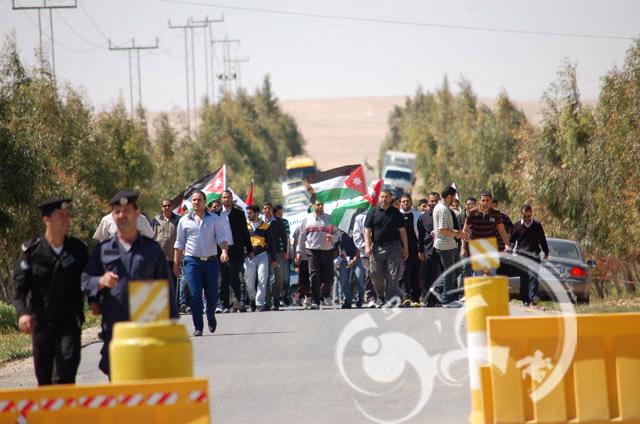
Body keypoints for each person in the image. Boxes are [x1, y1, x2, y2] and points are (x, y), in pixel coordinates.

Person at [82, 191, 178, 376]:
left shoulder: (152, 250)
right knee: (115, 373)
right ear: (112, 216)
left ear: (137, 213)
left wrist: (171, 326)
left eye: (126, 211)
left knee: (145, 376)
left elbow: (166, 287)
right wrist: (100, 282)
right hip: (115, 326)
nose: (122, 215)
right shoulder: (103, 250)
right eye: (117, 211)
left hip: (147, 327)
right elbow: (86, 280)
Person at [13, 198, 89, 385]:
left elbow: (89, 279)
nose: (66, 220)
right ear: (46, 219)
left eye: (67, 215)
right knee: (45, 382)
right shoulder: (32, 252)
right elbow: (19, 290)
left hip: (69, 324)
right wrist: (23, 314)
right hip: (41, 325)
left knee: (63, 377)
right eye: (60, 216)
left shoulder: (77, 250)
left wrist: (95, 300)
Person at [173, 190, 231, 336]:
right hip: (191, 261)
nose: (196, 202)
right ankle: (198, 326)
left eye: (199, 200)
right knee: (195, 294)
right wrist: (176, 263)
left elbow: (221, 237)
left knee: (212, 295)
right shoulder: (184, 221)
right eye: (194, 200)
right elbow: (179, 243)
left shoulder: (214, 219)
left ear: (205, 202)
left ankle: (210, 315)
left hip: (211, 262)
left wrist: (224, 251)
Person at [364, 189, 409, 306]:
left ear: (390, 198)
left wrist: (406, 248)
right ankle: (380, 296)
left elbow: (402, 232)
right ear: (379, 198)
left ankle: (389, 298)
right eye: (382, 197)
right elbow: (367, 231)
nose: (384, 199)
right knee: (375, 274)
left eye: (386, 197)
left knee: (393, 275)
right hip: (377, 247)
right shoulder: (372, 212)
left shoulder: (396, 213)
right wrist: (367, 246)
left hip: (394, 247)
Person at [296, 197, 340, 309]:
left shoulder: (330, 219)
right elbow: (302, 236)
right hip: (312, 251)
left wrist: (333, 238)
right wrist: (299, 252)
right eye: (318, 205)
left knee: (328, 277)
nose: (320, 207)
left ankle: (325, 294)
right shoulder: (307, 219)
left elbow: (337, 233)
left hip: (327, 251)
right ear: (313, 206)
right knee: (314, 275)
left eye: (322, 205)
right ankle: (315, 301)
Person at [430, 187, 468, 307]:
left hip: (448, 244)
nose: (454, 199)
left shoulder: (443, 207)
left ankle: (438, 289)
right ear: (449, 196)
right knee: (450, 272)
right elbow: (442, 229)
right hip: (445, 245)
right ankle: (447, 300)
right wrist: (458, 234)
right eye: (453, 197)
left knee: (455, 270)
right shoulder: (442, 209)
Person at [220, 190, 254, 313]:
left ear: (232, 198)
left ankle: (237, 301)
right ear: (221, 199)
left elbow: (245, 232)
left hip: (236, 249)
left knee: (235, 275)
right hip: (221, 250)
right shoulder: (216, 214)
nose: (226, 199)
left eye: (228, 197)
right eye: (224, 197)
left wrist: (249, 249)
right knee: (223, 277)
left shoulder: (239, 213)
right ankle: (224, 304)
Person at [462, 192, 511, 276]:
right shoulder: (472, 213)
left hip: (490, 247)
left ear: (491, 201)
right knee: (478, 274)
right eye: (483, 200)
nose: (485, 203)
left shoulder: (495, 213)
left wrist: (507, 244)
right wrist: (463, 248)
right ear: (479, 201)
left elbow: (502, 230)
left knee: (491, 273)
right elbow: (465, 230)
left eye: (487, 201)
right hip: (476, 247)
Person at [510, 205, 549, 306]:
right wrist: (510, 250)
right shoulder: (516, 226)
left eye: (529, 216)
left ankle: (533, 298)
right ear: (521, 214)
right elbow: (512, 240)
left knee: (534, 276)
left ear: (531, 214)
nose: (527, 219)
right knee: (524, 277)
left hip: (534, 254)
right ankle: (525, 300)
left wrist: (546, 252)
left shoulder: (537, 225)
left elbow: (542, 239)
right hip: (521, 255)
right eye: (525, 216)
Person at [244, 205, 277, 312]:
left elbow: (271, 243)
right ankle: (253, 299)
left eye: (250, 213)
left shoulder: (266, 226)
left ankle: (259, 303)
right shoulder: (244, 225)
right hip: (248, 257)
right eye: (247, 213)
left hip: (262, 255)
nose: (248, 215)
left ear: (257, 214)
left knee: (262, 279)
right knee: (249, 281)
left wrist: (273, 259)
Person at [150, 198, 180, 302]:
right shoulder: (156, 220)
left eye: (169, 205)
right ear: (161, 207)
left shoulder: (178, 220)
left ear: (172, 206)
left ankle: (173, 306)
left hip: (174, 258)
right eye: (164, 206)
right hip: (159, 259)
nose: (167, 207)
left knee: (173, 284)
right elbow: (151, 238)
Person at [263, 202, 289, 310]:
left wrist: (285, 252)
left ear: (272, 210)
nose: (267, 210)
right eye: (265, 208)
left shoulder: (278, 221)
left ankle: (276, 299)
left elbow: (284, 237)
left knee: (279, 277)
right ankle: (267, 301)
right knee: (265, 277)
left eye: (269, 208)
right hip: (264, 253)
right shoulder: (260, 222)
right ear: (263, 210)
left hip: (277, 252)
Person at [417, 192, 441, 306]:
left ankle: (441, 299)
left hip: (443, 249)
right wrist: (421, 251)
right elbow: (421, 236)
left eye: (436, 200)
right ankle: (429, 299)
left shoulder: (447, 213)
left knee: (441, 274)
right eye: (431, 201)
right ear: (428, 202)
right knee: (428, 275)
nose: (434, 203)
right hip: (428, 249)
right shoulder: (423, 217)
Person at [399, 193, 421, 307]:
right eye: (403, 201)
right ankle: (405, 297)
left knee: (414, 273)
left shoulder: (417, 215)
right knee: (403, 273)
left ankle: (415, 298)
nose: (405, 203)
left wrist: (420, 249)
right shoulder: (397, 215)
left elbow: (421, 234)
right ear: (400, 203)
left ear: (411, 202)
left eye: (407, 201)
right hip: (400, 249)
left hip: (415, 248)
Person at [353, 210, 377, 308]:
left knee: (380, 274)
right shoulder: (360, 218)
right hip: (366, 252)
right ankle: (371, 298)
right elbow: (356, 235)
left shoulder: (381, 214)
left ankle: (381, 296)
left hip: (380, 250)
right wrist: (365, 246)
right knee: (370, 272)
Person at [336, 232, 365, 309]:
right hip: (344, 258)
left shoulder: (357, 229)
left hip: (358, 257)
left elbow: (359, 245)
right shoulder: (339, 232)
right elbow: (337, 246)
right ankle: (347, 301)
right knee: (343, 280)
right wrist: (338, 260)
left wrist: (354, 260)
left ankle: (360, 299)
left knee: (359, 277)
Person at [274, 205, 292, 306]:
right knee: (277, 277)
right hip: (274, 253)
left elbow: (288, 238)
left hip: (284, 252)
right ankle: (277, 297)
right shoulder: (271, 222)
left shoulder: (285, 222)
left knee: (286, 277)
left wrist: (287, 252)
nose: (280, 215)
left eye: (281, 213)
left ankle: (285, 296)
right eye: (278, 213)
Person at [292, 224, 313, 309]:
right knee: (303, 279)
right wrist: (295, 256)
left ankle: (310, 297)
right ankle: (300, 297)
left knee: (313, 277)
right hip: (302, 257)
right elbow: (295, 243)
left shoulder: (316, 226)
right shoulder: (299, 228)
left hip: (313, 257)